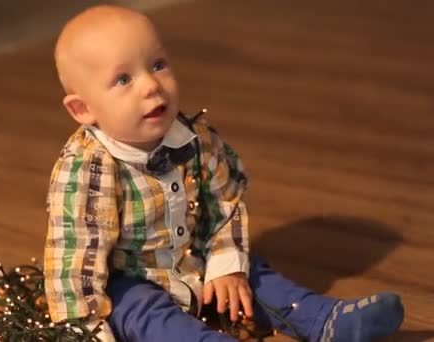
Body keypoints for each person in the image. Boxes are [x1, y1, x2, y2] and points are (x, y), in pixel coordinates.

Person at [43, 5, 404, 341]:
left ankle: (322, 319)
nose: (151, 85)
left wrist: (225, 264)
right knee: (144, 313)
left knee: (255, 276)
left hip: (195, 258)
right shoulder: (88, 169)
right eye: (123, 79)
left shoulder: (196, 138)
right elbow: (75, 259)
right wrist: (87, 329)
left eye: (157, 65)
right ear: (83, 109)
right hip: (132, 278)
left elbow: (224, 201)